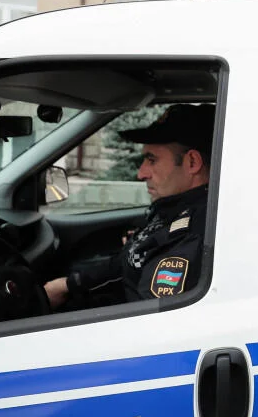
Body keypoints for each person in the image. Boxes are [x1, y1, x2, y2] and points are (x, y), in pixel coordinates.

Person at [44, 103, 214, 308]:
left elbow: (149, 322)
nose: (141, 174)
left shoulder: (194, 232)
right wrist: (67, 285)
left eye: (151, 160)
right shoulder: (172, 210)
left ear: (192, 162)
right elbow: (128, 263)